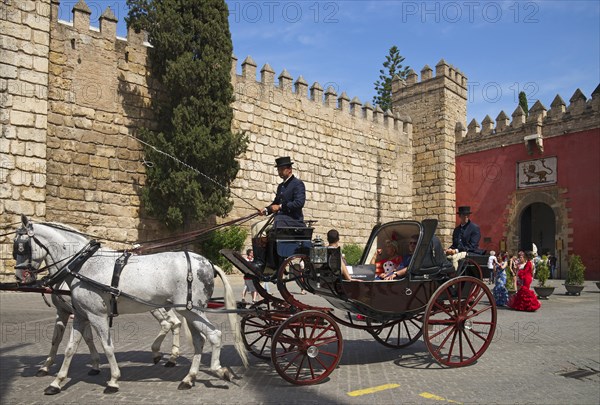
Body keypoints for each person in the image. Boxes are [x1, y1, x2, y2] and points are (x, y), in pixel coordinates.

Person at [258, 156, 306, 228]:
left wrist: (280, 207)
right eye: (278, 170)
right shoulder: (281, 186)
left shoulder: (297, 184)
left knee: (265, 226)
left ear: (289, 169)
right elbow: (276, 203)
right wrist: (266, 210)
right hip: (281, 220)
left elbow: (299, 203)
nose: (279, 172)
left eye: (282, 169)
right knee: (257, 226)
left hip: (293, 221)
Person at [445, 206, 484, 270]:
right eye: (464, 215)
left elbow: (472, 246)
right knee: (445, 257)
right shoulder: (456, 230)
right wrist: (448, 250)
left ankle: (455, 277)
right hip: (459, 252)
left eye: (467, 215)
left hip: (470, 252)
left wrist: (456, 250)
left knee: (454, 258)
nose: (466, 216)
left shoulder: (474, 228)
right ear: (459, 216)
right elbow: (455, 245)